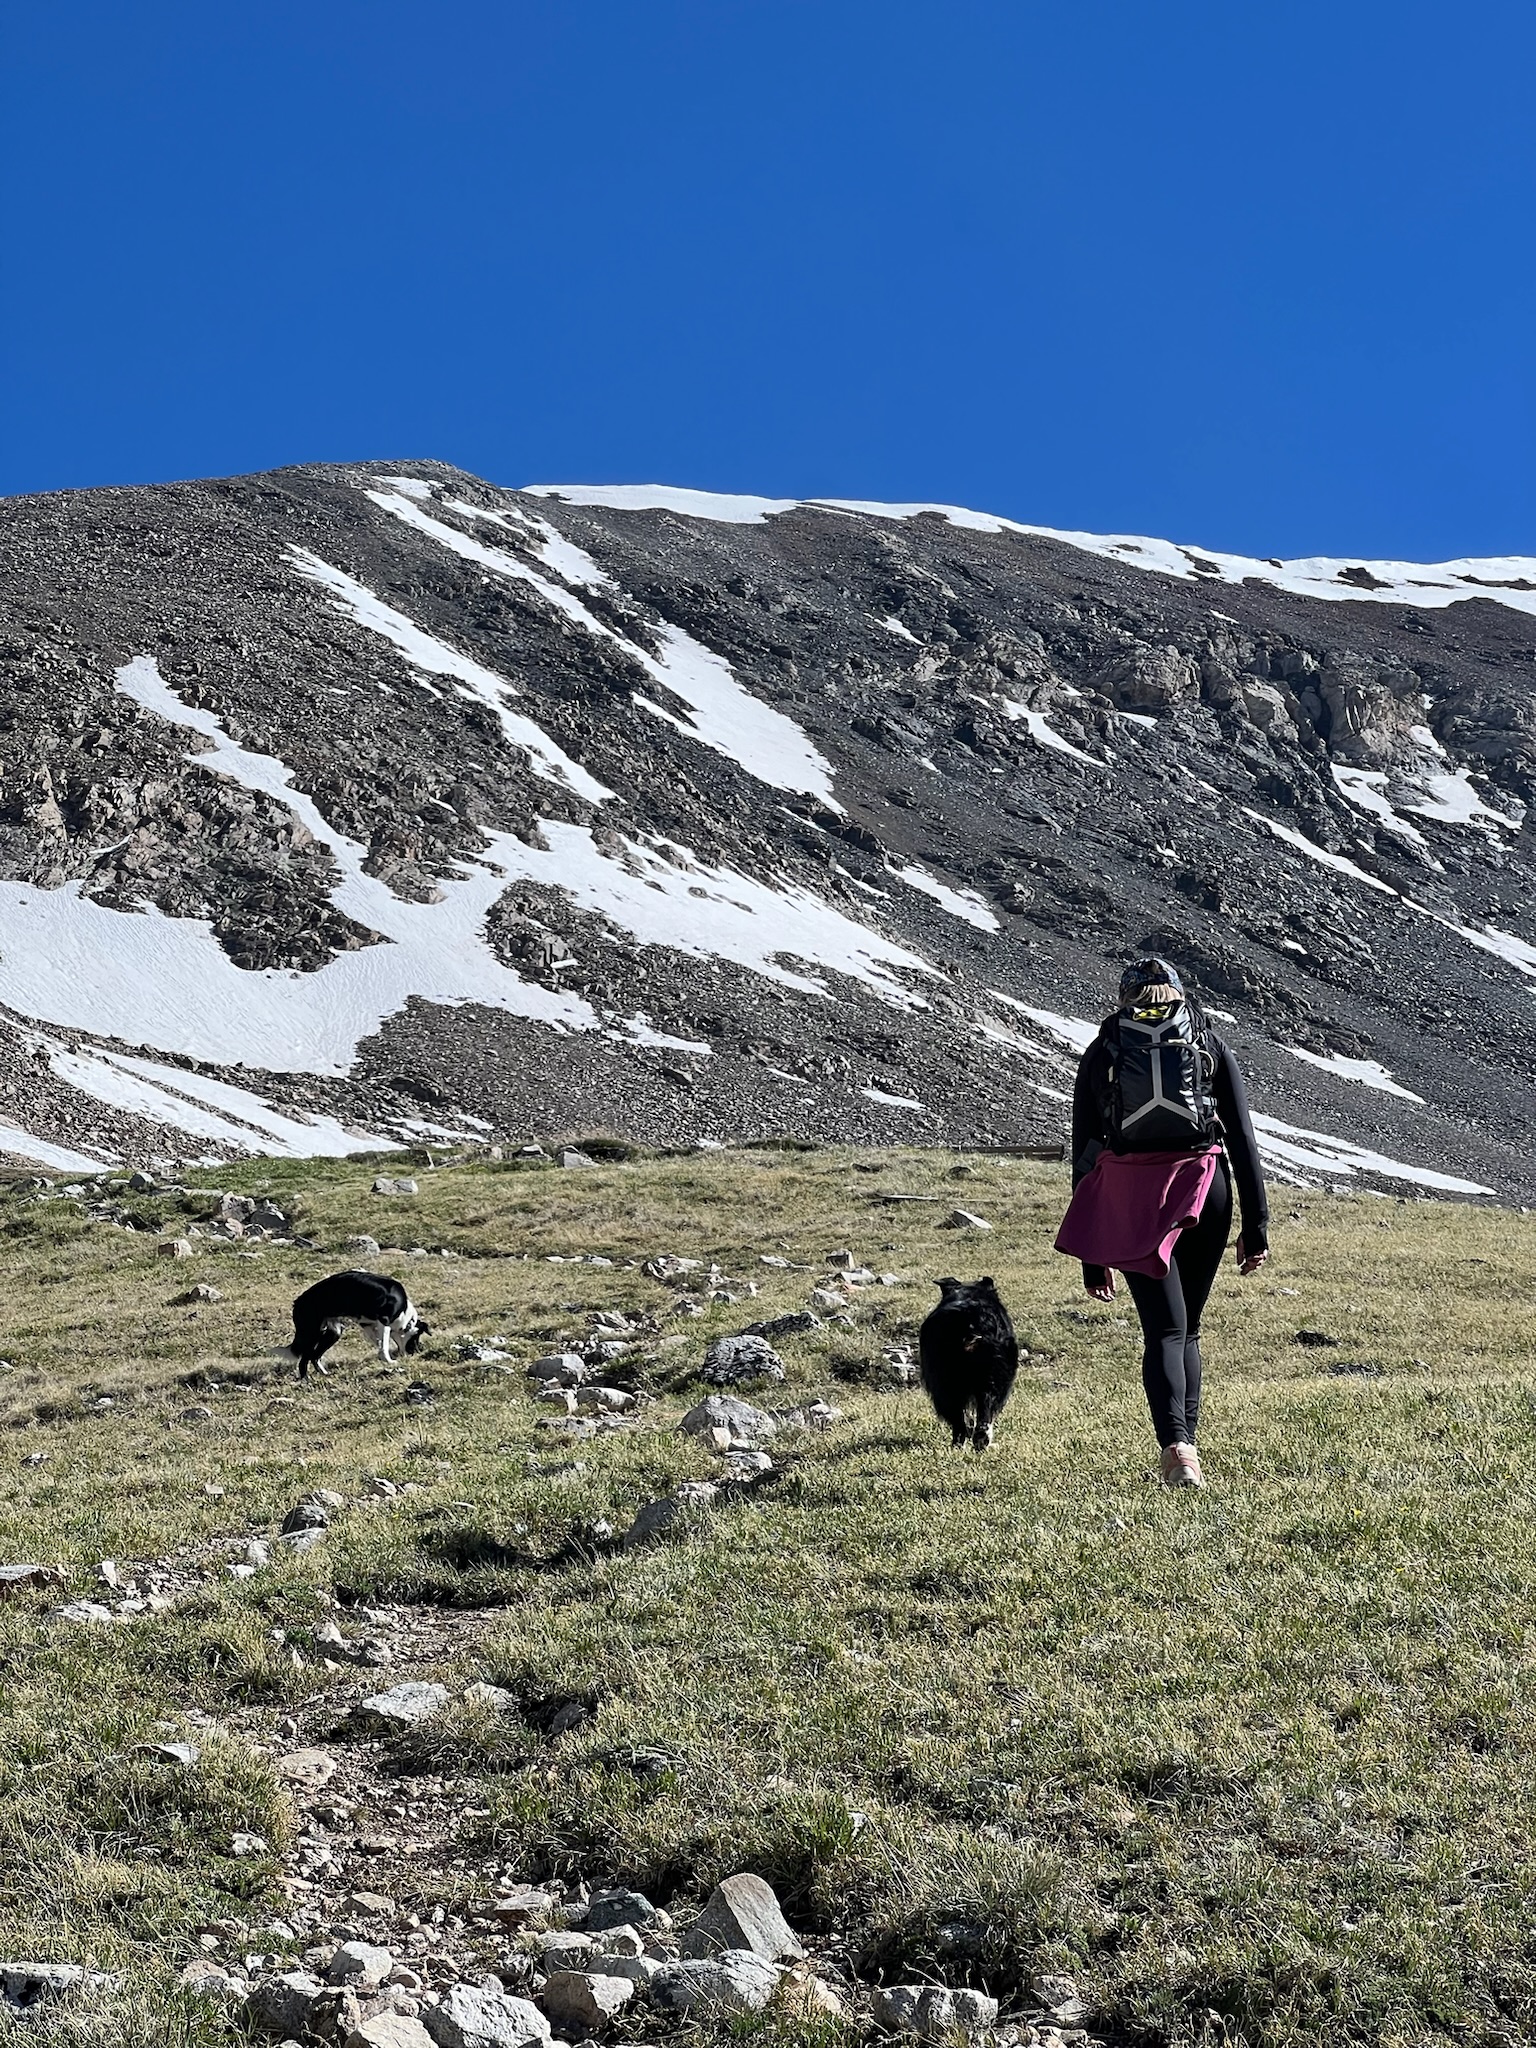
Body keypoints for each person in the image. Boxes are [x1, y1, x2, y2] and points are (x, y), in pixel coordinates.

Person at [1055, 957, 1268, 1487]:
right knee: (1188, 1328)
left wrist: (1092, 1254)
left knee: (1164, 1330)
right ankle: (1186, 1446)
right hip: (1205, 1187)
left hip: (1133, 1197)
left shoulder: (1105, 1050)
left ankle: (1177, 1447)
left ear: (1123, 998)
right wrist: (1256, 1226)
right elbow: (1242, 1138)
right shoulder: (1207, 1042)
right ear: (1179, 993)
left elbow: (1086, 1152)